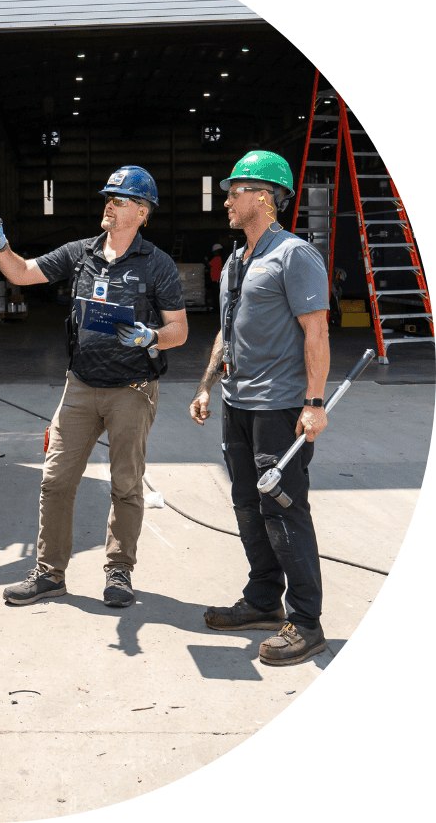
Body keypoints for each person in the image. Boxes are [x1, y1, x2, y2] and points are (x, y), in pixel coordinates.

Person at [0, 166, 188, 608]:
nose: (109, 204)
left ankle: (119, 572)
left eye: (121, 199)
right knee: (55, 480)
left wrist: (150, 336)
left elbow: (180, 330)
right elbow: (22, 272)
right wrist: (0, 243)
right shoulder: (81, 253)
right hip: (80, 387)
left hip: (132, 389)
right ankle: (50, 573)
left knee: (126, 485)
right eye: (108, 196)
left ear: (143, 212)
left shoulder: (158, 265)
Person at [189, 149, 330, 665]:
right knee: (248, 506)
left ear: (266, 199)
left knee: (284, 509)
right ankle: (264, 599)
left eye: (236, 191)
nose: (227, 199)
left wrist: (313, 403)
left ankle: (307, 621)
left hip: (279, 407)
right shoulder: (237, 259)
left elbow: (317, 331)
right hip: (237, 403)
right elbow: (227, 331)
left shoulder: (294, 255)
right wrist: (206, 385)